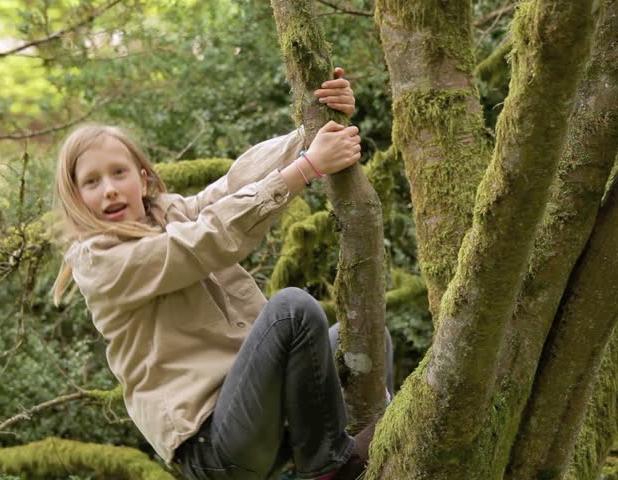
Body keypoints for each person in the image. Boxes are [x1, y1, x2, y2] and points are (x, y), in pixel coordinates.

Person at [51, 69, 386, 480]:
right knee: (292, 311)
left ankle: (353, 449)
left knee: (364, 337)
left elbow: (234, 185)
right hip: (214, 444)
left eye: (119, 173)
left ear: (142, 178)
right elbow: (200, 243)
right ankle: (330, 467)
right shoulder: (98, 263)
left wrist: (314, 130)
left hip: (266, 415)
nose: (109, 190)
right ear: (75, 199)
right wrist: (307, 168)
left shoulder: (170, 213)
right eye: (91, 182)